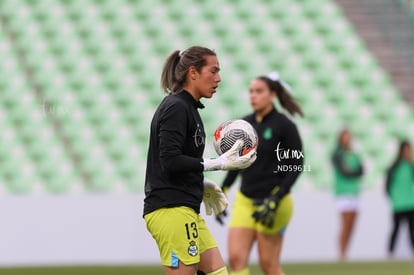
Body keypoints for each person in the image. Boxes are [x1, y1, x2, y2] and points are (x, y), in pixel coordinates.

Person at [143, 46, 257, 275]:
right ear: (193, 72)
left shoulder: (188, 108)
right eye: (213, 71)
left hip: (185, 208)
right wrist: (218, 163)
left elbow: (176, 163)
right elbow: (170, 161)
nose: (218, 78)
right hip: (171, 209)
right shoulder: (176, 107)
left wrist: (199, 184)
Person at [216, 72, 304, 275]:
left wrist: (277, 197)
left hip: (274, 203)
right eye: (250, 91)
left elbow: (297, 164)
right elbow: (236, 163)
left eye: (259, 91)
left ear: (272, 94)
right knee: (236, 260)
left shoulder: (285, 125)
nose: (253, 96)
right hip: (245, 201)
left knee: (268, 265)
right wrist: (223, 191)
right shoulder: (244, 126)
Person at [331, 128, 364, 261]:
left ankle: (346, 253)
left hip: (354, 192)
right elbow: (345, 171)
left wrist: (351, 172)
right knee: (345, 224)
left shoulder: (354, 154)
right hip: (343, 192)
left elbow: (361, 171)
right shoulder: (337, 154)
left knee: (352, 225)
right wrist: (352, 172)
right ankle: (342, 254)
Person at [385, 140, 414, 258]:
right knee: (396, 230)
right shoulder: (394, 167)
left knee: (412, 231)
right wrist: (393, 197)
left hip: (410, 203)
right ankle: (390, 253)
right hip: (398, 204)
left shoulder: (411, 166)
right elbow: (387, 185)